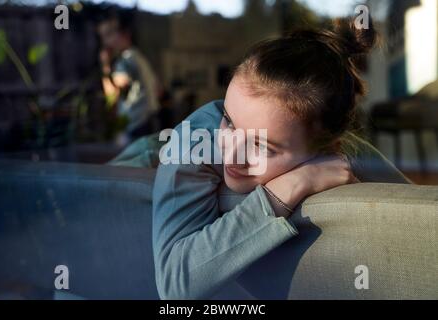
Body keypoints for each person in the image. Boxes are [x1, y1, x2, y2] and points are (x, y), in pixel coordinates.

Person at [152, 18, 412, 300]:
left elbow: (418, 212)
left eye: (261, 146)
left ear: (324, 150)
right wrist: (295, 183)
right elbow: (175, 284)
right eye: (228, 120)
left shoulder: (343, 149)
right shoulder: (193, 143)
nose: (233, 152)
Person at [97, 11, 160, 144]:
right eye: (103, 36)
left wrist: (105, 66)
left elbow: (112, 94)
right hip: (148, 119)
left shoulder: (126, 60)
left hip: (136, 124)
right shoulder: (138, 57)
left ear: (125, 34)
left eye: (109, 35)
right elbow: (158, 89)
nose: (106, 42)